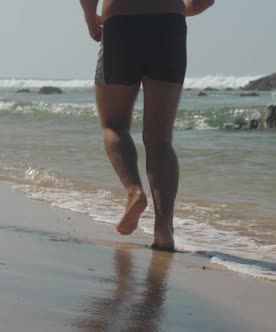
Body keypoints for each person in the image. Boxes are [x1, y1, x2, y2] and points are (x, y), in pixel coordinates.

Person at [80, 0, 215, 252]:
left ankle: (134, 192)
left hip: (121, 23)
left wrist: (91, 19)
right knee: (160, 139)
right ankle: (164, 229)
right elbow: (203, 1)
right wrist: (170, 7)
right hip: (169, 27)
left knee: (114, 124)